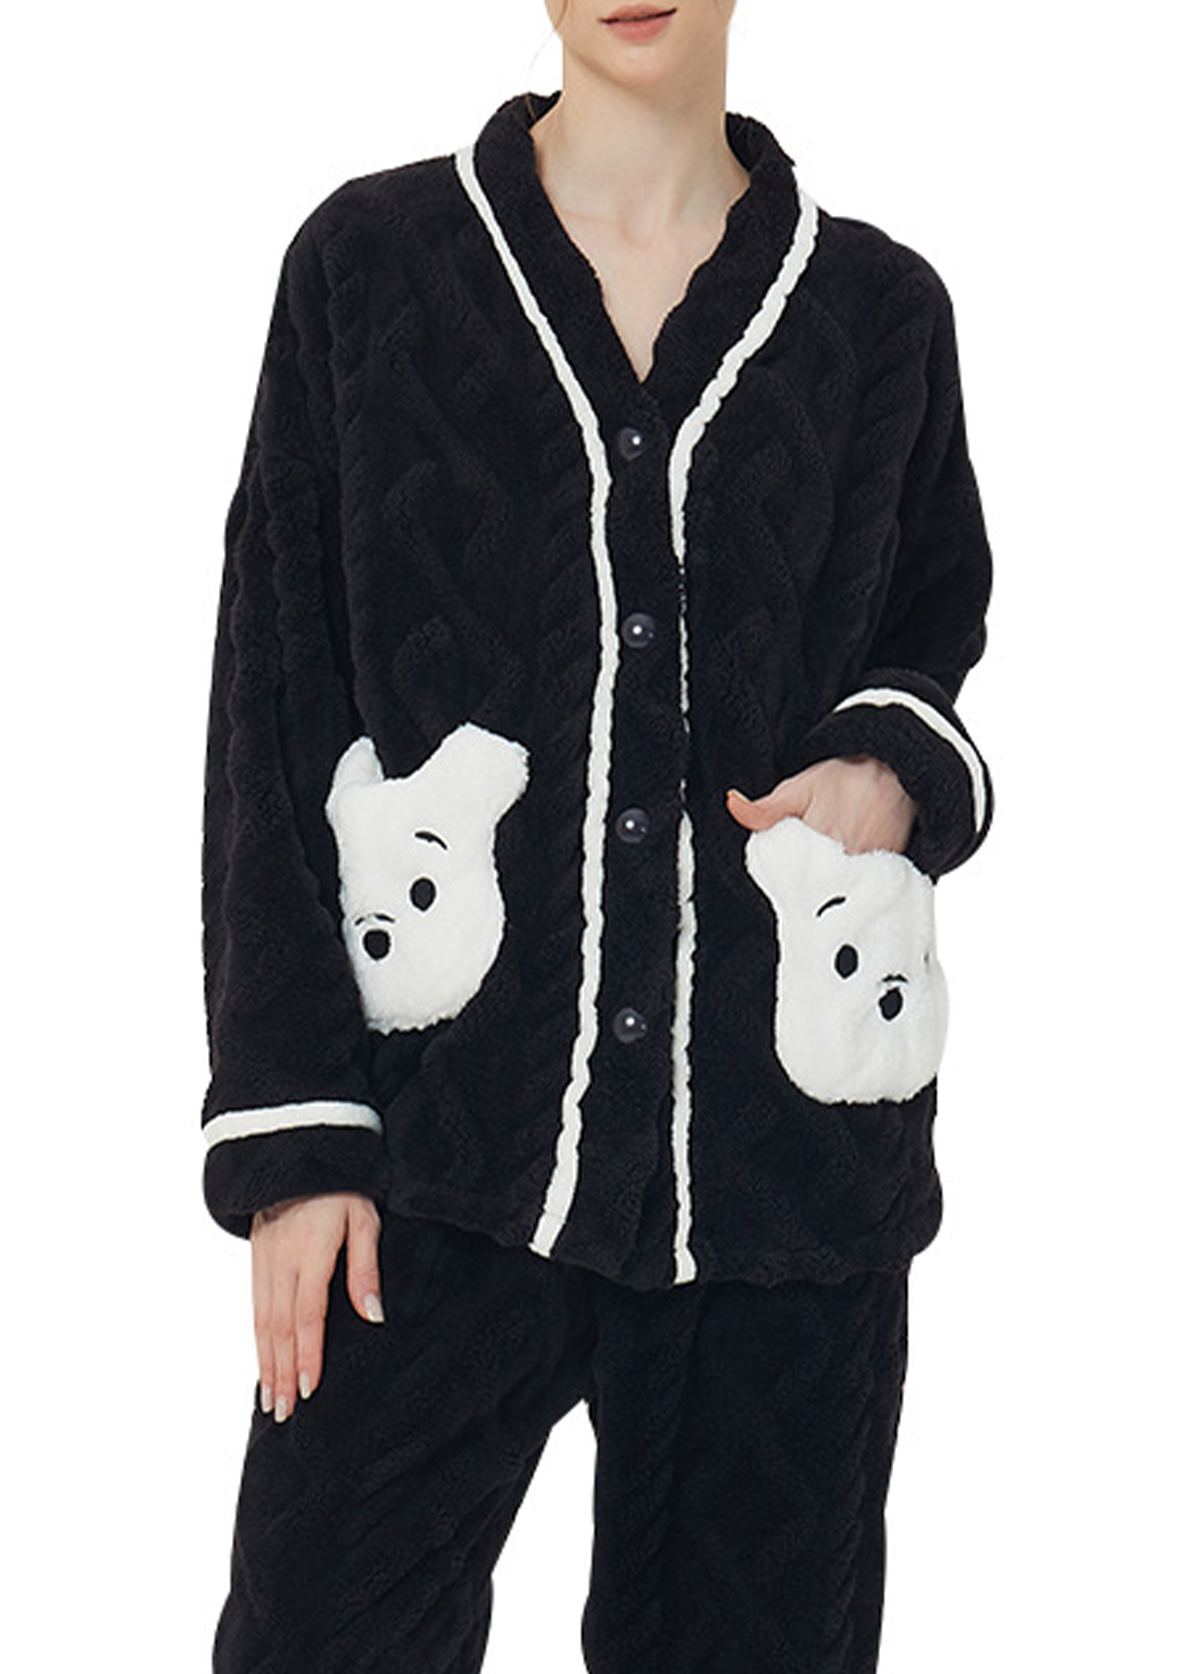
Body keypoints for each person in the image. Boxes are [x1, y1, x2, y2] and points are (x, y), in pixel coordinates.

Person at [201, 2, 994, 1669]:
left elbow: (934, 628)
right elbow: (276, 698)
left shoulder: (880, 314)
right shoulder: (369, 269)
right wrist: (297, 1137)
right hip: (433, 1150)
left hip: (785, 1168)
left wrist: (890, 763)